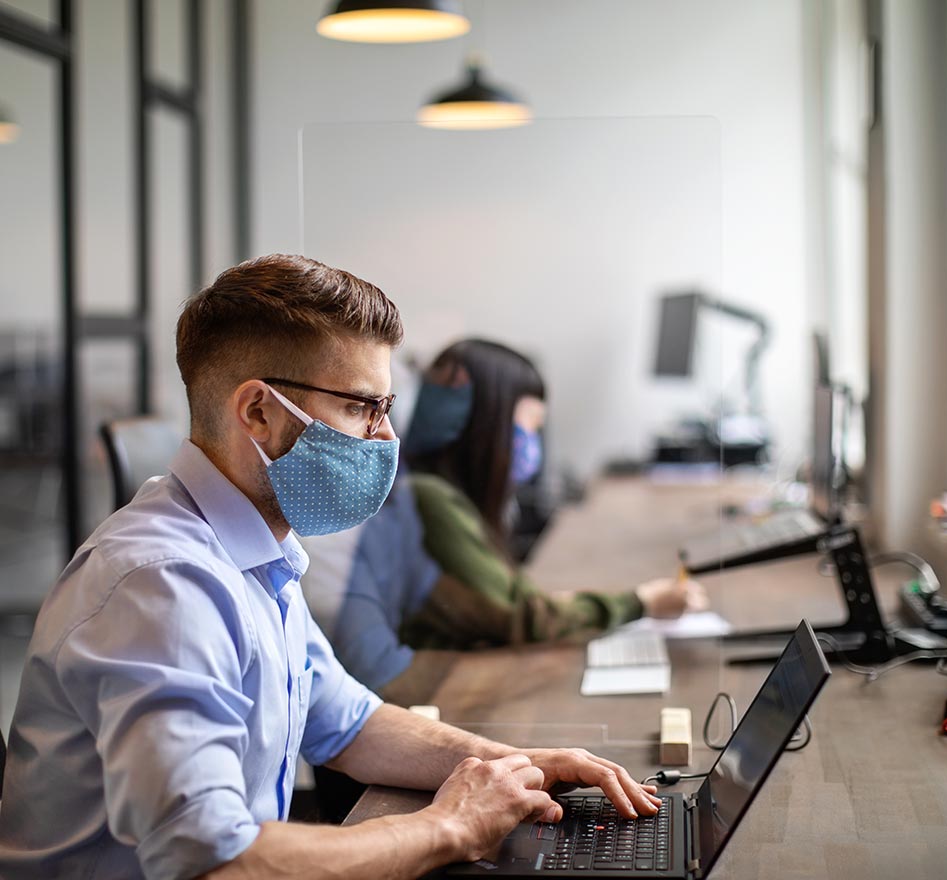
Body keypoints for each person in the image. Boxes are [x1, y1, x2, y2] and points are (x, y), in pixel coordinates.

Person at [0, 255, 660, 880]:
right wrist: (452, 827)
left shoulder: (257, 552)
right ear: (257, 412)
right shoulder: (161, 585)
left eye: (385, 408)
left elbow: (349, 723)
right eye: (359, 407)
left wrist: (515, 766)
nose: (386, 438)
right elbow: (211, 862)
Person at [402, 338, 707, 648]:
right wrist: (642, 602)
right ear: (487, 423)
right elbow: (523, 616)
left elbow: (515, 597)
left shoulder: (445, 494)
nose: (533, 441)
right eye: (531, 425)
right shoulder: (428, 498)